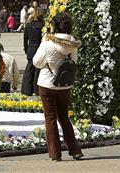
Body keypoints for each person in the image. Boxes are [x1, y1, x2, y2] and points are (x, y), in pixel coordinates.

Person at [33, 12, 83, 161]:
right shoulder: (73, 44)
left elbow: (37, 62)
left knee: (50, 118)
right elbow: (73, 62)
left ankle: (55, 153)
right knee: (64, 117)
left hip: (47, 84)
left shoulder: (48, 42)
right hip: (65, 85)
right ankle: (75, 150)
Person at [21, 8, 45, 96]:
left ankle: (26, 90)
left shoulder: (28, 25)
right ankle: (36, 90)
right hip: (39, 49)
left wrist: (26, 49)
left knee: (29, 69)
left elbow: (25, 40)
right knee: (38, 70)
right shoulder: (43, 26)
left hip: (31, 49)